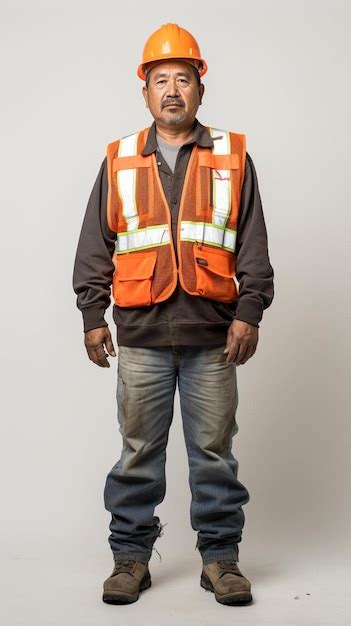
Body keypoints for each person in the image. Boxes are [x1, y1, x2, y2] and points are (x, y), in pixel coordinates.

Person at [72, 22, 274, 606]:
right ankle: (131, 559)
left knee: (214, 451)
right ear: (145, 92)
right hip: (139, 337)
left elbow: (253, 244)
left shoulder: (233, 156)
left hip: (215, 336)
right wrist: (92, 314)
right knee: (138, 452)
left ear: (200, 89)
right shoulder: (119, 161)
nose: (172, 91)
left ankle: (221, 561)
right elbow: (95, 243)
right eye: (160, 80)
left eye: (182, 79)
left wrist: (250, 312)